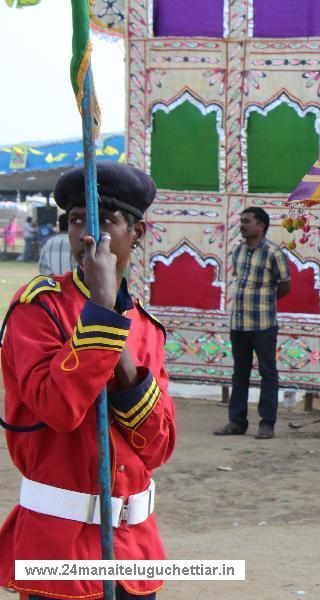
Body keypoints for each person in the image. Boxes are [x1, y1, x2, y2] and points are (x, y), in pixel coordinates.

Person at [0, 163, 176, 599]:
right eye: (77, 220)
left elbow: (159, 446)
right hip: (58, 552)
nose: (87, 234)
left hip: (133, 553)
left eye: (105, 221)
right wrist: (100, 316)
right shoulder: (37, 309)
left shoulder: (147, 328)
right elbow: (58, 410)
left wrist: (122, 354)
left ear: (137, 232)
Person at [214, 207, 291, 440]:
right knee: (240, 373)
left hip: (263, 324)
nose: (242, 225)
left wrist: (265, 301)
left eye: (247, 221)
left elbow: (285, 286)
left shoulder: (273, 253)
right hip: (238, 323)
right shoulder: (238, 251)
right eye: (241, 221)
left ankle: (267, 423)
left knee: (268, 373)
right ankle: (237, 422)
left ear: (261, 226)